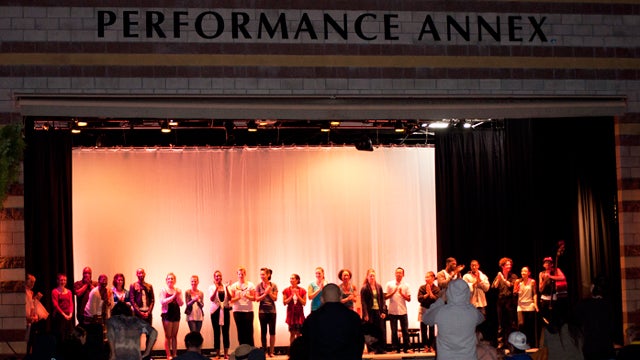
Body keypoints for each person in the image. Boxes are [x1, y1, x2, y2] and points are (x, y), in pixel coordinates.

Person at [422, 279, 485, 359]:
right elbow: (482, 318)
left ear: (448, 293)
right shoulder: (473, 312)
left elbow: (425, 319)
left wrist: (440, 300)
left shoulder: (440, 311)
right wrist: (468, 303)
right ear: (467, 293)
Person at [301, 283, 365, 359]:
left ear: (322, 299)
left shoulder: (312, 318)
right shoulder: (354, 317)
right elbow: (359, 343)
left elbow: (306, 344)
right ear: (340, 297)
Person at [570, 275, 615, 360]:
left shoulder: (583, 305)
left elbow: (573, 324)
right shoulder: (610, 306)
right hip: (607, 350)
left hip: (590, 350)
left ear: (593, 287)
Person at [84, 274, 113, 360]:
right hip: (91, 316)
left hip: (101, 315)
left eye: (106, 280)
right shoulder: (94, 292)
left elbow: (111, 305)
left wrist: (108, 302)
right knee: (95, 337)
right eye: (102, 280)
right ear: (99, 281)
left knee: (104, 337)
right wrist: (98, 320)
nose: (104, 282)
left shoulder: (108, 291)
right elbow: (93, 309)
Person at [492, 257, 518, 351]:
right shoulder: (499, 275)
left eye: (510, 264)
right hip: (500, 301)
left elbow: (511, 285)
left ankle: (511, 343)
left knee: (511, 323)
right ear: (502, 266)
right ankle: (501, 343)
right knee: (501, 323)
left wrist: (502, 278)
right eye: (507, 264)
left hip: (509, 301)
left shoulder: (513, 276)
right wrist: (498, 279)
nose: (509, 266)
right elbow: (494, 286)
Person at [385, 267, 412, 353]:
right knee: (394, 331)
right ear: (395, 274)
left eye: (400, 273)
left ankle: (407, 348)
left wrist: (401, 294)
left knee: (405, 330)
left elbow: (409, 299)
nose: (398, 274)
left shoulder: (406, 285)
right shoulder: (389, 284)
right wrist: (393, 292)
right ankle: (394, 348)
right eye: (397, 272)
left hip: (403, 311)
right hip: (392, 311)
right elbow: (384, 297)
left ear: (403, 274)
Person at [360, 268, 387, 355]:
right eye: (370, 276)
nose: (372, 277)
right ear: (367, 277)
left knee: (380, 330)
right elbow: (363, 302)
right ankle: (372, 349)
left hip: (378, 311)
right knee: (370, 331)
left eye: (373, 276)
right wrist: (365, 314)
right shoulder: (364, 288)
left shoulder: (379, 286)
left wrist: (383, 311)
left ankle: (381, 349)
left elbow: (383, 300)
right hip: (369, 312)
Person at [538, 256, 567, 331]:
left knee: (554, 316)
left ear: (552, 264)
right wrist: (545, 280)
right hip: (544, 298)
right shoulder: (541, 273)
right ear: (543, 265)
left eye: (549, 263)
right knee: (545, 317)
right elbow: (540, 289)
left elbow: (562, 277)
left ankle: (555, 331)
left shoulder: (556, 270)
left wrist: (550, 276)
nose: (547, 264)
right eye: (545, 263)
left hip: (553, 297)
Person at [229, 266, 256, 346]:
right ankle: (242, 350)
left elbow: (254, 298)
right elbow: (231, 300)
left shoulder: (250, 285)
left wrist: (247, 296)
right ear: (237, 274)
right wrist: (238, 297)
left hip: (248, 311)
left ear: (245, 274)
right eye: (239, 274)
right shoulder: (234, 286)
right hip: (237, 311)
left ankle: (251, 350)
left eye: (242, 274)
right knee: (240, 332)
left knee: (249, 331)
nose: (241, 275)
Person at [160, 272, 184, 359]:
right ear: (166, 280)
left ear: (175, 280)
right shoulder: (163, 290)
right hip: (167, 314)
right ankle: (168, 355)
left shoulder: (178, 290)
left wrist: (177, 295)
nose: (170, 280)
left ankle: (174, 354)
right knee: (168, 336)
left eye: (172, 278)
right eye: (169, 278)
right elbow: (162, 301)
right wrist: (174, 295)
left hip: (176, 314)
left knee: (174, 336)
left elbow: (181, 303)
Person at [255, 268, 278, 357]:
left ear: (268, 275)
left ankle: (271, 351)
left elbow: (275, 298)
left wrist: (269, 292)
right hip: (262, 312)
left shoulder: (274, 285)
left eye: (263, 274)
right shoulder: (258, 286)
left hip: (272, 312)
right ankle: (264, 351)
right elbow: (257, 299)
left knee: (272, 332)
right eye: (261, 274)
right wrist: (265, 293)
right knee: (263, 332)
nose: (262, 276)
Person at [209, 270, 231, 359]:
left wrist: (226, 288)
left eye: (220, 276)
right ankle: (217, 354)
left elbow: (230, 297)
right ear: (214, 277)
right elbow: (211, 298)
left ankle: (226, 353)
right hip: (215, 312)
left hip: (225, 310)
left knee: (226, 332)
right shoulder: (211, 287)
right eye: (217, 276)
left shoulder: (226, 286)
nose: (218, 277)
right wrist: (216, 289)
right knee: (216, 332)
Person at [514, 266, 538, 349]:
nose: (523, 273)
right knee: (521, 324)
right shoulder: (518, 281)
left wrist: (536, 304)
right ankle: (521, 344)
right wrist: (516, 290)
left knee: (529, 325)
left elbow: (535, 293)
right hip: (520, 305)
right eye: (522, 271)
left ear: (529, 273)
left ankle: (531, 343)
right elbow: (514, 292)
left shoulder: (532, 282)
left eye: (525, 271)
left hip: (530, 305)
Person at [417, 271, 439, 353]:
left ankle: (431, 346)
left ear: (433, 278)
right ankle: (425, 346)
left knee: (431, 329)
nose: (426, 279)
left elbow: (437, 299)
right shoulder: (422, 287)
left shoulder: (436, 289)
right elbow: (419, 299)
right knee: (423, 329)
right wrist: (426, 294)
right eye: (425, 277)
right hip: (423, 309)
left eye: (428, 277)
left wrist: (430, 293)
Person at [25, 273, 47, 355]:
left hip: (29, 321)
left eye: (34, 282)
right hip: (24, 320)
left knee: (28, 342)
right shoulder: (23, 291)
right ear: (26, 281)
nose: (32, 284)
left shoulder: (30, 292)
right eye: (31, 281)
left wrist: (36, 299)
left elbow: (31, 306)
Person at [283, 273, 306, 345]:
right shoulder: (286, 290)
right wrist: (291, 295)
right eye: (290, 278)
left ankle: (299, 351)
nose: (291, 280)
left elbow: (304, 303)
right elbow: (284, 302)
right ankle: (292, 351)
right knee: (292, 333)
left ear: (297, 280)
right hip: (291, 314)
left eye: (293, 278)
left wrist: (298, 295)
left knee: (299, 334)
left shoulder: (302, 290)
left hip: (299, 314)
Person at [51, 273, 74, 345]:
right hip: (59, 317)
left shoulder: (69, 292)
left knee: (69, 335)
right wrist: (64, 315)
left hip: (68, 316)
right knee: (60, 336)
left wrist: (70, 314)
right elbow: (56, 305)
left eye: (65, 280)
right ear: (58, 281)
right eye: (61, 280)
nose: (63, 282)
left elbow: (71, 303)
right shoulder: (55, 291)